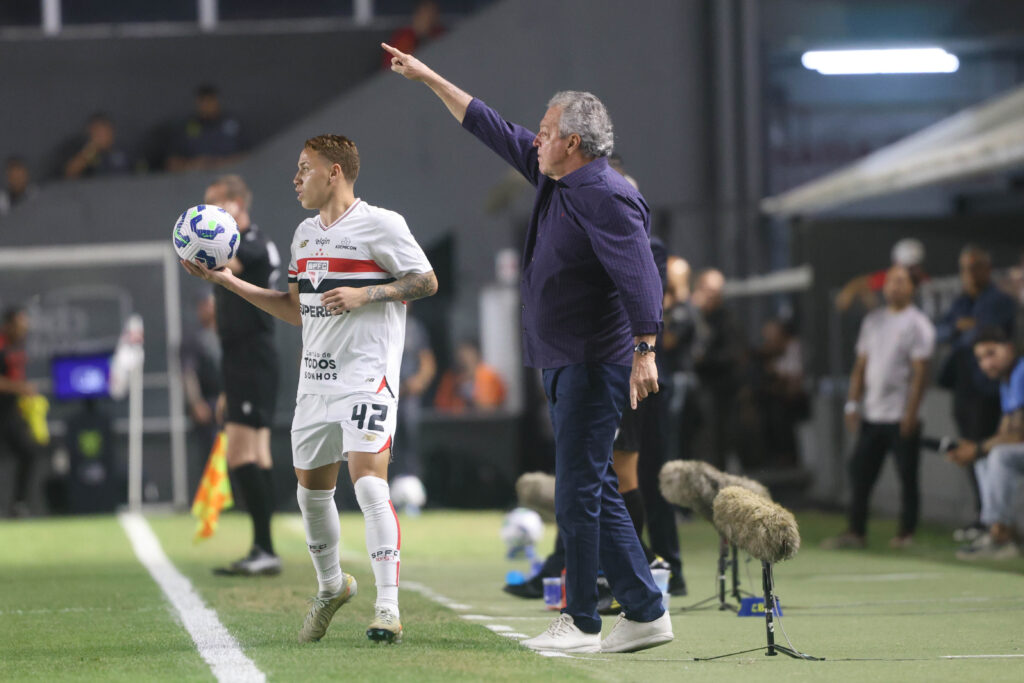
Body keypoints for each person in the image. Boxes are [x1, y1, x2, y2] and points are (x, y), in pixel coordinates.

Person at [384, 42, 672, 654]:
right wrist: (429, 76)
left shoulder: (606, 192)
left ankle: (582, 621)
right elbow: (488, 124)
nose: (534, 138)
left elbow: (643, 276)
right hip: (565, 359)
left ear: (573, 142)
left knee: (577, 493)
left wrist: (646, 348)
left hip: (594, 361)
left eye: (545, 131)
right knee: (592, 487)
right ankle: (646, 610)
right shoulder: (554, 175)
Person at [182, 134, 437, 645]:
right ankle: (331, 587)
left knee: (369, 484)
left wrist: (369, 293)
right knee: (311, 495)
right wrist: (228, 282)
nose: (295, 178)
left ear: (334, 172)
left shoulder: (382, 224)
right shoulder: (304, 235)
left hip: (368, 378)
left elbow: (425, 281)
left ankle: (387, 607)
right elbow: (295, 310)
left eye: (305, 168)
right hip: (316, 383)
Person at [201, 175, 282, 576]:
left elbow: (230, 262)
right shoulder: (241, 243)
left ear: (236, 204)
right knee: (258, 454)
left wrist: (200, 250)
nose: (209, 214)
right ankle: (264, 547)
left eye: (216, 205)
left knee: (241, 454)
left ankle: (264, 548)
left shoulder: (252, 244)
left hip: (253, 355)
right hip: (240, 359)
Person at [824, 265, 935, 550]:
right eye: (890, 281)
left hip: (901, 415)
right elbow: (860, 366)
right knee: (860, 474)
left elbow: (921, 373)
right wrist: (852, 403)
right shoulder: (873, 321)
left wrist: (911, 413)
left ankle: (906, 534)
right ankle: (856, 532)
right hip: (872, 414)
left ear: (912, 288)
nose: (894, 286)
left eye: (901, 281)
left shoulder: (918, 324)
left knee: (907, 477)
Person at [935, 245, 1016, 541]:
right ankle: (986, 518)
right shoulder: (960, 301)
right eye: (964, 268)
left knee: (987, 452)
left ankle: (996, 523)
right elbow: (940, 332)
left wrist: (962, 331)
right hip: (963, 387)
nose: (968, 274)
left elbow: (982, 335)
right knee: (972, 452)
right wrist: (960, 330)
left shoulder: (1000, 300)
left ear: (987, 269)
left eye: (974, 267)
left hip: (988, 391)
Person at [948, 327, 1024, 560]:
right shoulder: (1007, 381)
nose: (987, 363)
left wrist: (977, 448)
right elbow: (1005, 431)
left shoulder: (1021, 372)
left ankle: (1001, 536)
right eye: (981, 358)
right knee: (986, 458)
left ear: (1009, 348)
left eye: (991, 353)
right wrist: (976, 451)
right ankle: (999, 532)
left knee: (998, 455)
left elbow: (1017, 435)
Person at [691, 268, 743, 470]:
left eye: (716, 291)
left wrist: (703, 359)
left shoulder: (727, 319)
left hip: (719, 390)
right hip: (696, 389)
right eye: (708, 290)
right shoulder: (693, 314)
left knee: (717, 442)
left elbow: (732, 353)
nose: (712, 295)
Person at [0, 307, 40, 517]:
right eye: (20, 325)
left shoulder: (17, 347)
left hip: (10, 412)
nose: (24, 329)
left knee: (28, 451)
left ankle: (18, 504)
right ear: (8, 326)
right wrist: (20, 388)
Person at [180, 292, 223, 482]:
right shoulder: (193, 340)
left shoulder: (228, 335)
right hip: (207, 404)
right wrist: (196, 402)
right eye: (205, 305)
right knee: (210, 456)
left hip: (229, 403)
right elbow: (188, 373)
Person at [395, 307, 436, 479]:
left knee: (412, 438)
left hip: (408, 395)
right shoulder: (376, 323)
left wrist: (418, 381)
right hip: (382, 394)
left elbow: (427, 363)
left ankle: (412, 482)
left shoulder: (414, 327)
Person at [166, 84, 245, 172]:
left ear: (217, 101)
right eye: (203, 101)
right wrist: (193, 165)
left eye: (210, 100)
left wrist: (221, 163)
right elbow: (172, 162)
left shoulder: (233, 123)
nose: (207, 105)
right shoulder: (187, 126)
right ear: (197, 103)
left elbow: (250, 156)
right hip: (196, 177)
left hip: (230, 173)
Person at [835, 238, 927, 312]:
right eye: (908, 267)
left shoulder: (924, 281)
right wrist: (849, 292)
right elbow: (862, 283)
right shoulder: (890, 278)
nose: (913, 271)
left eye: (915, 266)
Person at [433, 340, 506, 412]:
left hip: (482, 416)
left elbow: (488, 407)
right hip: (459, 416)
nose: (465, 358)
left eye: (469, 354)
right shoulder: (452, 377)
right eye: (462, 355)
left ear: (477, 355)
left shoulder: (486, 375)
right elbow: (442, 405)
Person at [61, 112, 132, 179]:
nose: (102, 136)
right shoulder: (87, 152)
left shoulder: (123, 151)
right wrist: (92, 149)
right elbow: (70, 174)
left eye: (105, 131)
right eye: (98, 132)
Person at [380, 0, 444, 70]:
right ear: (417, 14)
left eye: (432, 14)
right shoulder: (404, 37)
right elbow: (391, 64)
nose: (428, 18)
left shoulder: (440, 35)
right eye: (425, 13)